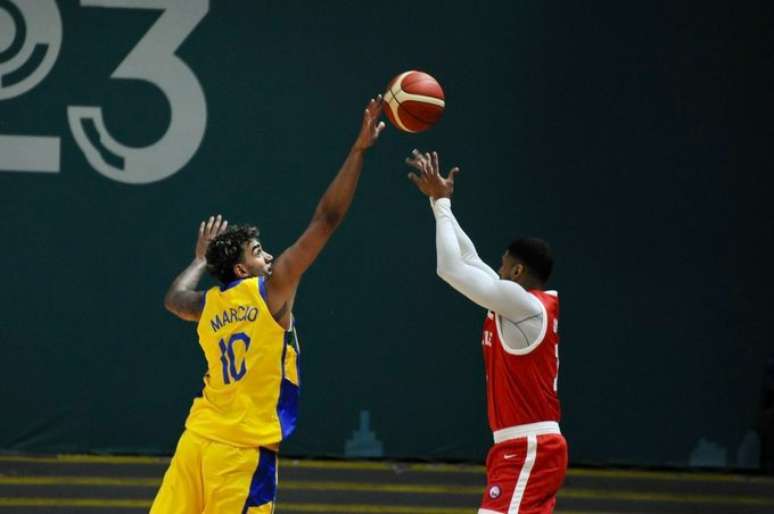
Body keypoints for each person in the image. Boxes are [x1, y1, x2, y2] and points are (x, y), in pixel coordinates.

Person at [149, 97, 385, 514]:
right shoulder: (270, 292)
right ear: (242, 268)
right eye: (259, 252)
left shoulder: (208, 305)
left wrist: (200, 260)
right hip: (239, 455)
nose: (270, 257)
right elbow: (325, 221)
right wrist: (358, 150)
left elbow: (172, 299)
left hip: (196, 442)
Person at [406, 150, 567, 514]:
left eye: (503, 263)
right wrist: (437, 202)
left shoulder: (524, 306)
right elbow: (467, 258)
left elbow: (450, 267)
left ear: (516, 271)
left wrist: (444, 206)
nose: (496, 267)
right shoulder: (515, 303)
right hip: (522, 446)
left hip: (530, 447)